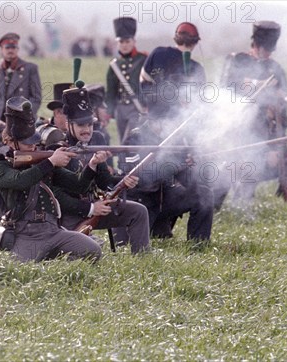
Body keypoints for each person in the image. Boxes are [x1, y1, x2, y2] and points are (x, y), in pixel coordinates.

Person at [122, 22, 214, 246]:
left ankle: (198, 245)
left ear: (176, 38)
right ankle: (160, 229)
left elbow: (147, 89)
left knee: (202, 193)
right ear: (194, 43)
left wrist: (192, 155)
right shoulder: (137, 136)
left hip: (174, 144)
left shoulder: (161, 55)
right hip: (145, 200)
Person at [0, 96, 104, 262]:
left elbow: (78, 185)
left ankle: (53, 260)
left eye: (33, 142)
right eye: (27, 143)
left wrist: (92, 165)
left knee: (93, 250)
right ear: (12, 142)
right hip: (24, 233)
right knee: (20, 271)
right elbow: (19, 181)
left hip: (52, 230)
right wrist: (50, 162)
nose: (33, 146)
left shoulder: (41, 162)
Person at [215, 21, 287, 207]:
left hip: (263, 133)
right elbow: (225, 90)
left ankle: (243, 201)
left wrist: (277, 149)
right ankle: (212, 203)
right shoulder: (236, 60)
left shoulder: (276, 69)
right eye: (265, 48)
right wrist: (256, 84)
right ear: (256, 44)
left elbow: (281, 110)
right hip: (235, 128)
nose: (268, 53)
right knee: (225, 170)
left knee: (279, 164)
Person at [57, 83, 150, 254]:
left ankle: (144, 261)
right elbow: (65, 193)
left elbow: (104, 182)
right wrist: (91, 208)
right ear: (69, 124)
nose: (87, 130)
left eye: (90, 125)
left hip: (96, 205)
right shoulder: (58, 149)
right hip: (68, 214)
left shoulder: (94, 142)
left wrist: (124, 181)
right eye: (81, 126)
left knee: (139, 211)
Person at [0, 32, 42, 123]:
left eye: (13, 47)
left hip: (20, 122)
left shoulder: (30, 69)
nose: (10, 50)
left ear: (18, 49)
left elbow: (36, 98)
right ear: (2, 49)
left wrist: (25, 116)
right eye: (7, 47)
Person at [106, 17, 148, 142]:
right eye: (121, 42)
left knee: (129, 140)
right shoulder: (115, 64)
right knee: (121, 141)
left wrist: (148, 104)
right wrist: (109, 111)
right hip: (120, 108)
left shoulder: (143, 59)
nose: (124, 45)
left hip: (137, 107)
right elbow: (111, 90)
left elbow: (149, 84)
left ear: (134, 41)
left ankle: (128, 162)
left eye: (127, 41)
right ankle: (122, 162)